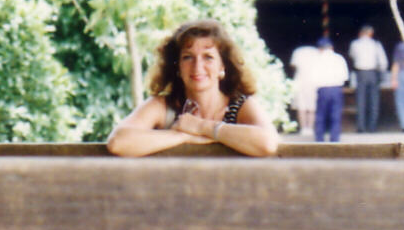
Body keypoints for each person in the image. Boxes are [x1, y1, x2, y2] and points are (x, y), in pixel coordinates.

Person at [106, 19, 279, 157]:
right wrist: (183, 135)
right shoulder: (164, 105)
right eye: (188, 57)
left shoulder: (240, 105)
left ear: (222, 66)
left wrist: (203, 127)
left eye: (208, 57)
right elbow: (118, 143)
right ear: (177, 67)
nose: (197, 66)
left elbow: (268, 143)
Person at [308, 36, 349, 142]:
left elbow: (313, 77)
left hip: (322, 89)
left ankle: (319, 138)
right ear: (331, 47)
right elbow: (345, 76)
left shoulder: (317, 59)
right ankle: (334, 138)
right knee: (335, 114)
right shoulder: (339, 58)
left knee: (321, 114)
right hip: (336, 89)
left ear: (320, 49)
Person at [348, 23, 388, 133]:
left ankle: (361, 127)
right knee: (374, 100)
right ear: (371, 33)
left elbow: (352, 55)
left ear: (361, 33)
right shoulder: (376, 44)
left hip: (361, 73)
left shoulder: (355, 44)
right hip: (373, 73)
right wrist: (382, 73)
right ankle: (372, 127)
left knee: (360, 100)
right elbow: (383, 61)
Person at [288, 40, 320, 135]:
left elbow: (293, 66)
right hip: (314, 81)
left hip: (300, 80)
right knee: (312, 106)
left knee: (301, 106)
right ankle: (310, 128)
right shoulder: (316, 52)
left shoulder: (298, 51)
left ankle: (303, 128)